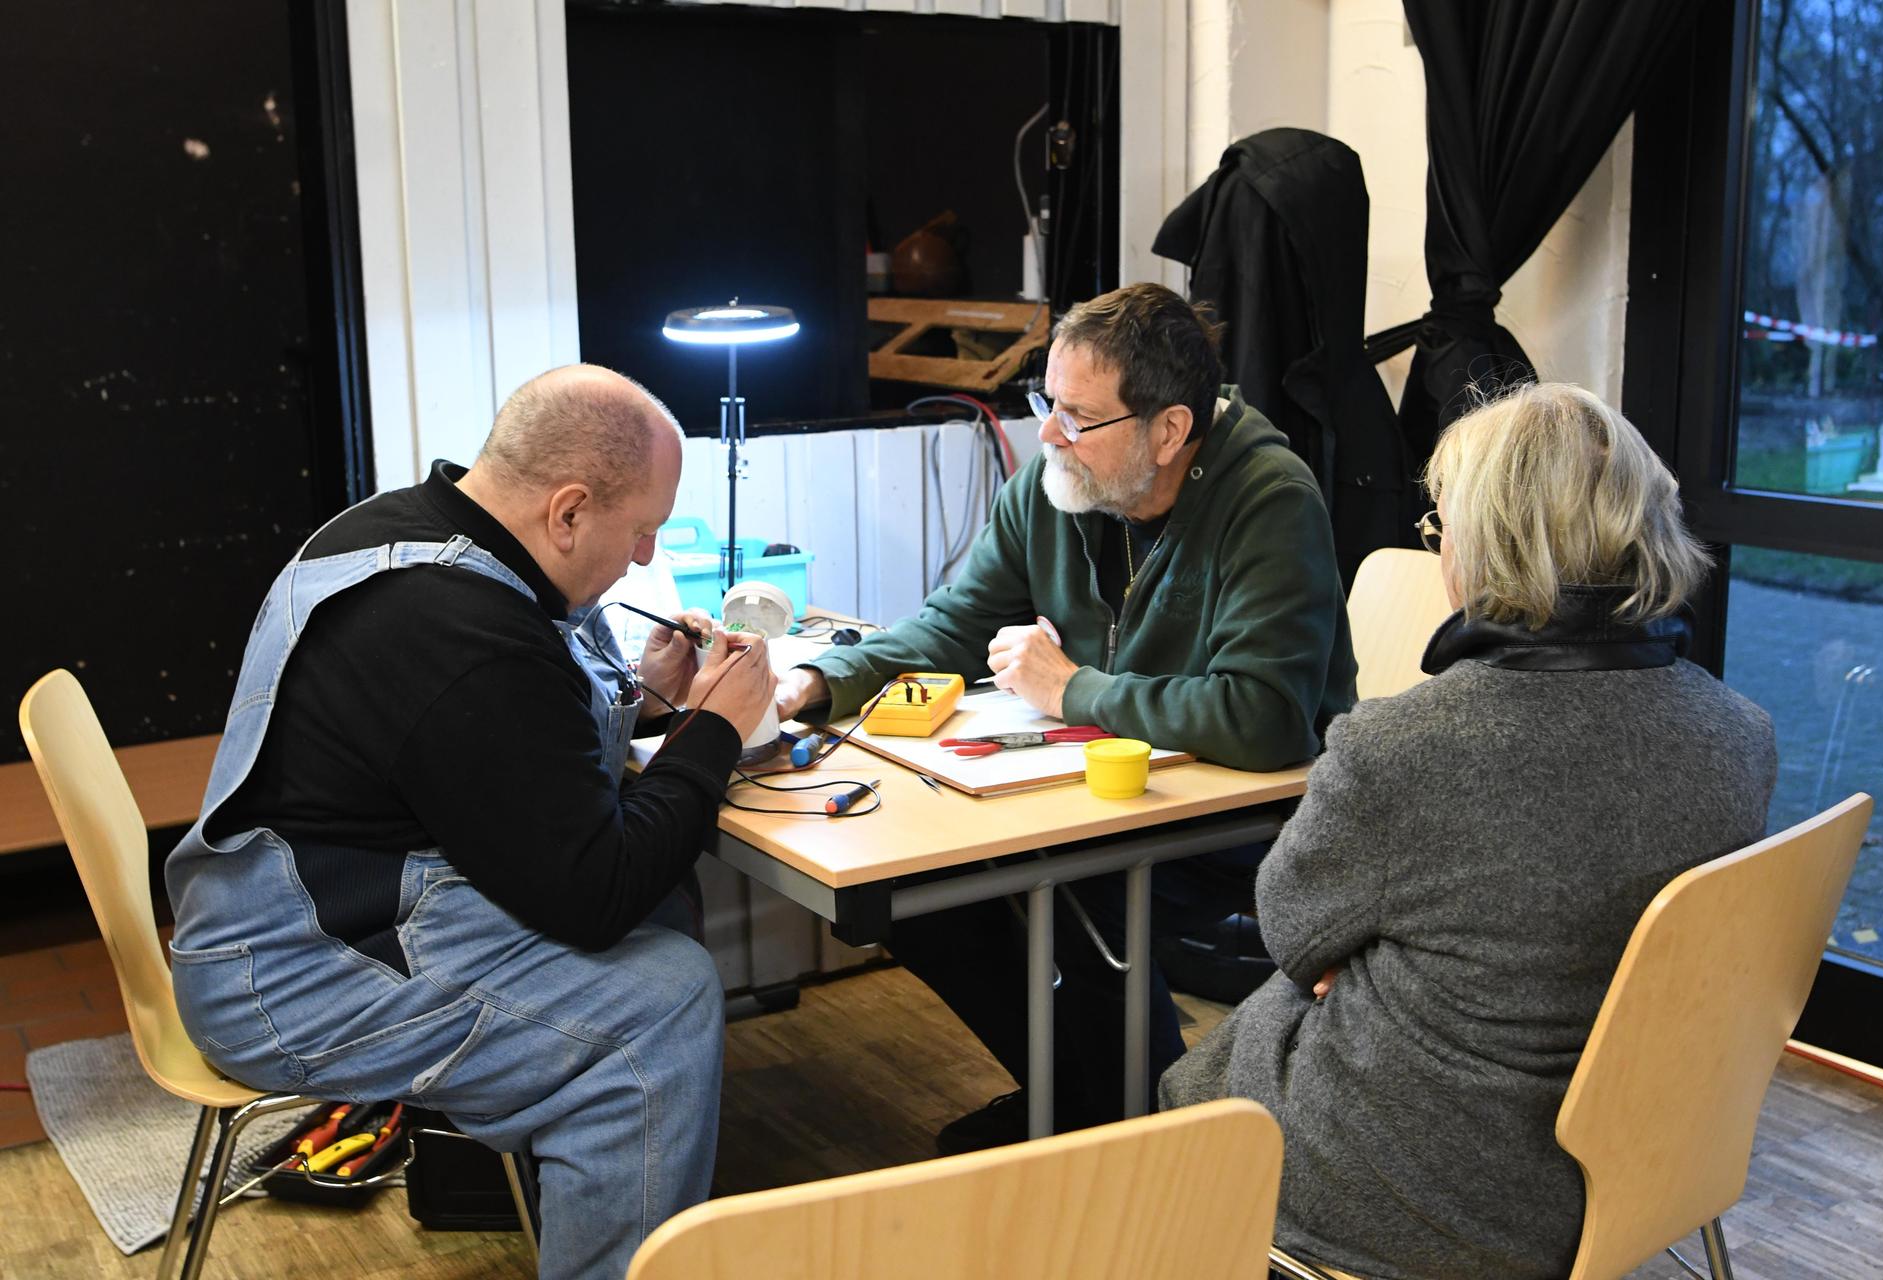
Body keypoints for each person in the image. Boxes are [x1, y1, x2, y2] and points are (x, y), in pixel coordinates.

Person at [164, 365, 776, 1280]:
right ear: (568, 511)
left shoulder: (423, 534)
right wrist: (716, 733)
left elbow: (507, 760)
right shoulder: (451, 622)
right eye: (641, 529)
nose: (647, 556)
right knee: (660, 1001)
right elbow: (594, 888)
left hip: (323, 911)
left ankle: (593, 1182)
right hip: (287, 978)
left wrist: (646, 701)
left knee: (661, 910)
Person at [1160, 383, 1778, 1279]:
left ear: (1491, 543)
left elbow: (1293, 934)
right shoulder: (1740, 733)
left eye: (1441, 526)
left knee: (1203, 1081)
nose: (1440, 548)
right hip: (1649, 1155)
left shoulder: (1401, 748)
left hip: (1440, 1191)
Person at [776, 282, 1358, 1150]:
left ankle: (1142, 1146)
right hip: (1103, 787)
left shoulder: (1269, 498)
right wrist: (817, 683)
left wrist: (1071, 689)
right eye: (1048, 402)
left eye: (1079, 416)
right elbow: (952, 625)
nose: (1048, 434)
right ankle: (1073, 1105)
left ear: (1168, 432)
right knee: (909, 889)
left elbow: (1267, 715)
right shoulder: (1059, 486)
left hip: (1248, 811)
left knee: (1086, 892)